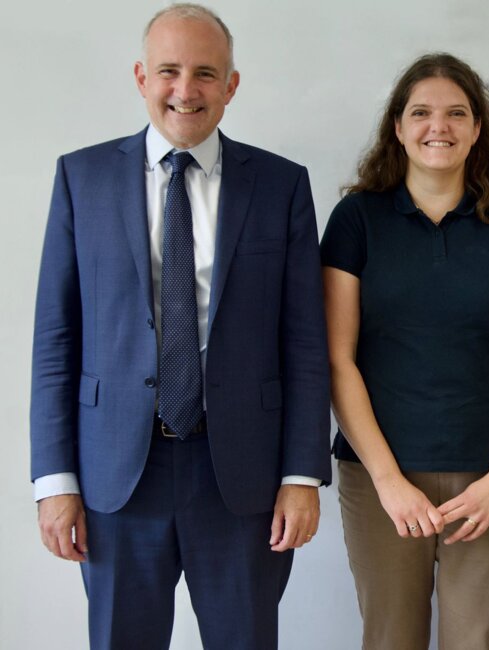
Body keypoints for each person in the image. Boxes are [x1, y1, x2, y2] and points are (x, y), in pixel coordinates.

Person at [30, 4, 331, 649]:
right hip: (116, 478)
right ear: (141, 77)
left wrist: (302, 476)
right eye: (169, 71)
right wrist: (54, 482)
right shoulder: (81, 178)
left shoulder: (281, 186)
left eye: (204, 73)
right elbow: (56, 339)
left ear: (231, 84)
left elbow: (305, 343)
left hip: (242, 479)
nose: (185, 90)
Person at [321, 53, 489, 650]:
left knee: (480, 642)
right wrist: (388, 479)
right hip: (380, 479)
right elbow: (336, 359)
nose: (438, 126)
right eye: (421, 112)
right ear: (397, 126)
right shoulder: (356, 220)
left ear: (478, 128)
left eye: (456, 113)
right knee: (391, 640)